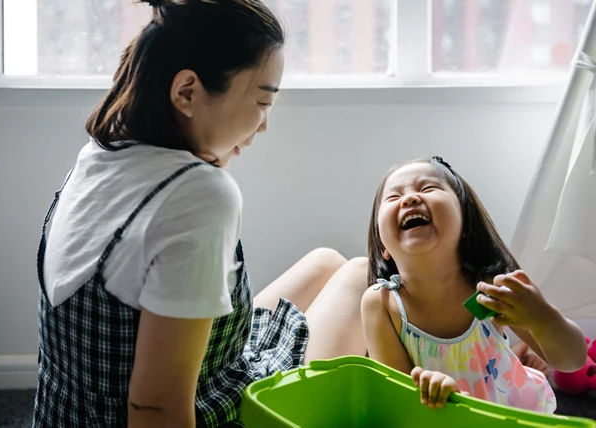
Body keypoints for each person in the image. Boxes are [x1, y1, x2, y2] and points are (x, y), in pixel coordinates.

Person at [32, 1, 368, 427]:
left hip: (68, 412)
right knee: (358, 278)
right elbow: (154, 409)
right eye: (263, 101)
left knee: (327, 263)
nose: (264, 125)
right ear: (187, 91)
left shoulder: (100, 154)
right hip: (193, 413)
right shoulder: (199, 195)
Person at [361, 156, 586, 413]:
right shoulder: (380, 303)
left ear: (465, 224)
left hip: (510, 416)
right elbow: (397, 403)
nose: (410, 199)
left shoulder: (490, 287)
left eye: (428, 188)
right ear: (383, 247)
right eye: (393, 197)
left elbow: (572, 361)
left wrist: (543, 318)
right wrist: (439, 396)